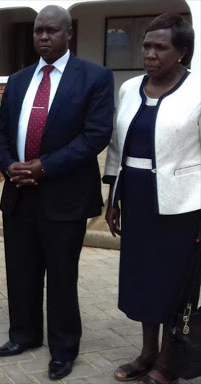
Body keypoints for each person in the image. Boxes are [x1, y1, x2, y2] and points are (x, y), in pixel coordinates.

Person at [0, 5, 114, 380]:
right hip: (19, 194)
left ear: (68, 34)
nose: (43, 37)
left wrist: (44, 168)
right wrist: (10, 165)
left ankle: (63, 349)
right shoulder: (18, 80)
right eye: (37, 31)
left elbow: (95, 136)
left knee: (61, 276)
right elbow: (1, 134)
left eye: (51, 31)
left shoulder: (95, 77)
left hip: (64, 197)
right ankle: (24, 335)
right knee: (21, 271)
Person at [104, 14, 200, 384]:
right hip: (139, 200)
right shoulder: (129, 89)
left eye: (161, 47)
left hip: (182, 206)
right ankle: (146, 353)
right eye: (146, 45)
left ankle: (167, 363)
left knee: (173, 285)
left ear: (182, 53)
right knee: (143, 281)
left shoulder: (198, 91)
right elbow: (117, 147)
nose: (150, 54)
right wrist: (113, 198)